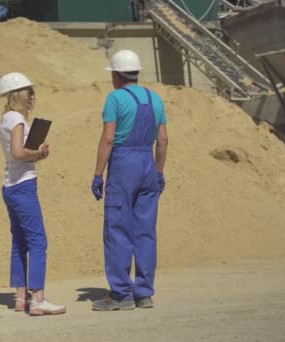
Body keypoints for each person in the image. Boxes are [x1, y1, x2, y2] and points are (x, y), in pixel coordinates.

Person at [90, 50, 169, 311]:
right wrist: (158, 172)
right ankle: (144, 293)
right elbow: (164, 140)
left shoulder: (115, 99)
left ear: (116, 75)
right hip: (147, 162)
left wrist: (98, 174)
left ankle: (121, 294)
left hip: (124, 164)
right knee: (145, 231)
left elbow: (107, 139)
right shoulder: (156, 99)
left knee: (117, 229)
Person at [0, 72, 66, 316]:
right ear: (17, 94)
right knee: (38, 241)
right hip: (23, 187)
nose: (32, 96)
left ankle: (20, 297)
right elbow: (18, 152)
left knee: (20, 242)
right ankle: (37, 299)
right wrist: (36, 152)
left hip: (11, 186)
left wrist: (37, 153)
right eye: (29, 92)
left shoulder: (7, 118)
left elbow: (18, 153)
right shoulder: (16, 119)